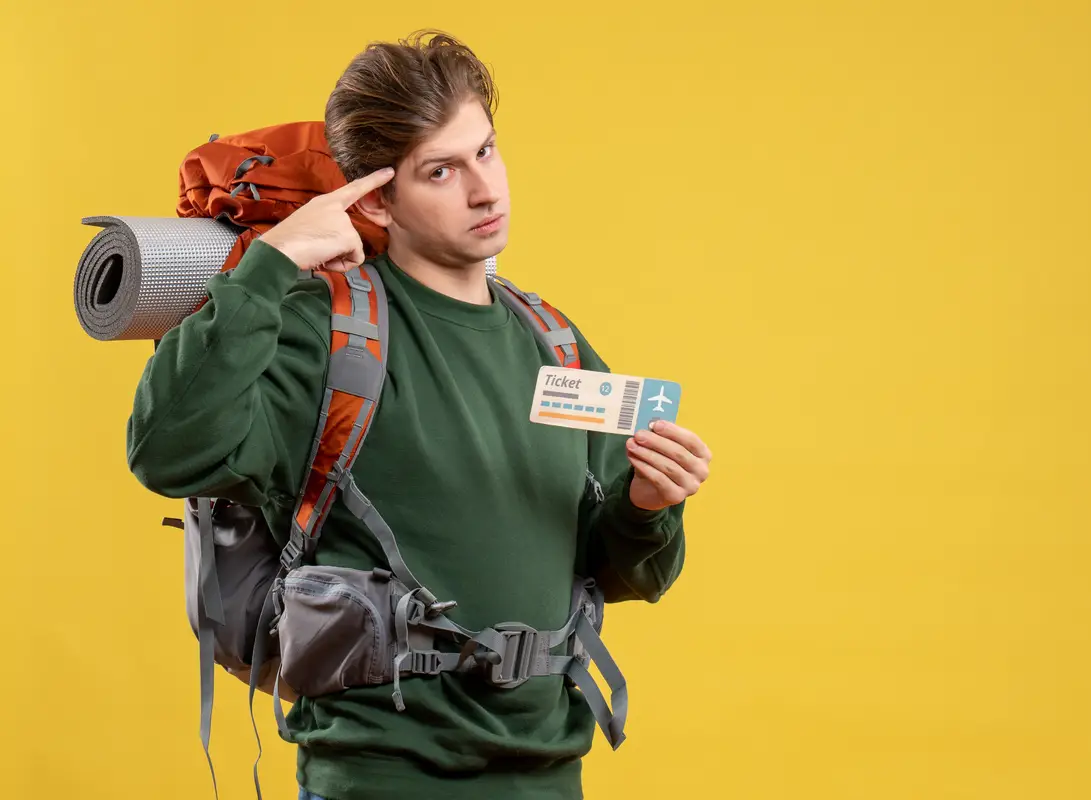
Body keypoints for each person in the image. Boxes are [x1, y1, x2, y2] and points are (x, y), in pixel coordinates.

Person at [126, 29, 712, 800]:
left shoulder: (554, 341)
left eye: (487, 152)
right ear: (375, 198)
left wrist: (648, 507)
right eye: (442, 170)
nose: (485, 190)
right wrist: (271, 267)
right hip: (377, 777)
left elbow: (636, 571)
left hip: (549, 775)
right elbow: (165, 452)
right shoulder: (321, 329)